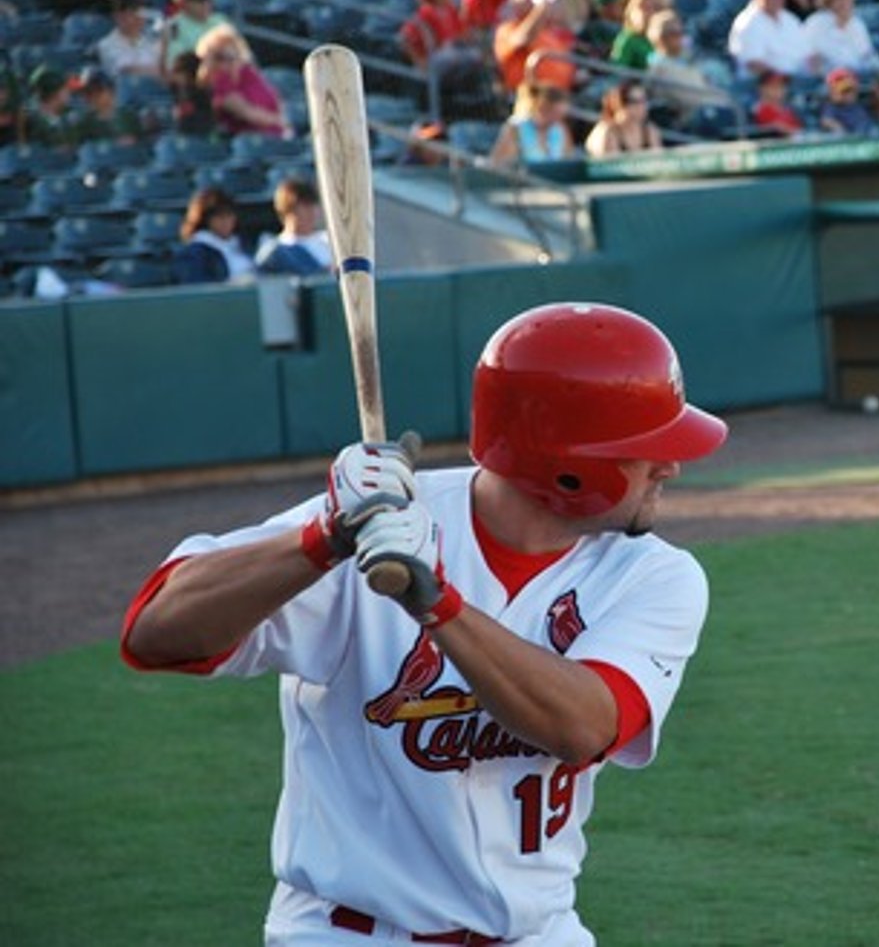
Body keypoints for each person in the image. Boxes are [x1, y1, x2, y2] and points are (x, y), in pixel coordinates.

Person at [121, 302, 729, 946]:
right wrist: (323, 538)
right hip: (347, 934)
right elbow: (155, 633)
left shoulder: (654, 577)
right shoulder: (373, 522)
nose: (672, 466)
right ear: (569, 466)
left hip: (537, 933)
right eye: (648, 451)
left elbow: (581, 726)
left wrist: (435, 604)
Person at [196, 25, 289, 137]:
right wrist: (281, 122)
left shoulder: (248, 73)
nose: (228, 63)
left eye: (232, 56)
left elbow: (275, 100)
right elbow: (247, 113)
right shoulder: (217, 82)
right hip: (251, 140)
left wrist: (284, 124)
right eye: (220, 57)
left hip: (277, 135)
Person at [494, 0, 579, 93]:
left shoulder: (547, 33)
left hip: (565, 93)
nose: (533, 1)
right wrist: (542, 8)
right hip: (532, 96)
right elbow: (523, 39)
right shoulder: (506, 30)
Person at [173, 187, 256, 285]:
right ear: (205, 219)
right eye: (219, 216)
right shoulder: (194, 254)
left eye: (229, 215)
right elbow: (199, 289)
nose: (225, 221)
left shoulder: (245, 245)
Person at [728, 0, 812, 78]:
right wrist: (783, 80)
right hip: (761, 84)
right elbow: (753, 64)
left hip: (797, 81)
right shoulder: (747, 22)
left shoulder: (790, 19)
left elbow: (807, 55)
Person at [255, 177, 332, 277]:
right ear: (288, 209)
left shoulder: (329, 241)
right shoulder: (274, 251)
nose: (312, 211)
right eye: (305, 206)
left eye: (313, 205)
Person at [489, 81, 576, 167]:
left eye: (561, 116)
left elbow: (567, 162)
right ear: (542, 108)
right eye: (555, 114)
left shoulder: (561, 130)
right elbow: (500, 165)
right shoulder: (515, 129)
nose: (558, 120)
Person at [804, 0, 879, 76]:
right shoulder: (816, 23)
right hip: (826, 79)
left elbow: (867, 55)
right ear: (828, 2)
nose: (845, 2)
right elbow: (813, 61)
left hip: (857, 77)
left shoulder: (857, 24)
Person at [161, 0, 232, 76]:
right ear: (182, 2)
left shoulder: (221, 21)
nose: (206, 3)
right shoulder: (175, 26)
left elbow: (244, 57)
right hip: (197, 83)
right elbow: (176, 69)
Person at [584, 79, 663, 155]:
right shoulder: (607, 131)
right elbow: (609, 166)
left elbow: (658, 163)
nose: (643, 106)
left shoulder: (650, 131)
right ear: (621, 103)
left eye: (644, 100)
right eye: (636, 102)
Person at [68, 67, 146, 144]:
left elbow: (129, 145)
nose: (86, 99)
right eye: (82, 94)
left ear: (108, 90)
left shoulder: (126, 114)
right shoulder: (85, 122)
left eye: (91, 92)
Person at [96, 0, 163, 80]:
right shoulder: (106, 45)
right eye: (132, 14)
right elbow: (126, 71)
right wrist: (158, 72)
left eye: (142, 14)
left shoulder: (154, 41)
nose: (139, 19)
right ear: (118, 16)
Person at [21, 66, 75, 149]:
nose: (68, 92)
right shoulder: (32, 122)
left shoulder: (70, 113)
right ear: (54, 94)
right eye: (64, 90)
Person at [609, 0, 660, 70]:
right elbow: (618, 71)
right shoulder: (627, 39)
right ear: (631, 12)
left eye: (651, 8)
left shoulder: (659, 39)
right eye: (642, 8)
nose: (647, 13)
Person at [817, 66, 877, 134]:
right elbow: (826, 121)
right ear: (832, 93)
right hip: (851, 139)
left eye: (852, 90)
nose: (849, 94)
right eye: (844, 91)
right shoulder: (831, 107)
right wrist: (838, 128)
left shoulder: (863, 100)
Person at [750, 68, 804, 135]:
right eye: (773, 86)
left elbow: (799, 130)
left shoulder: (789, 109)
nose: (779, 89)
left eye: (782, 86)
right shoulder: (758, 109)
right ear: (762, 88)